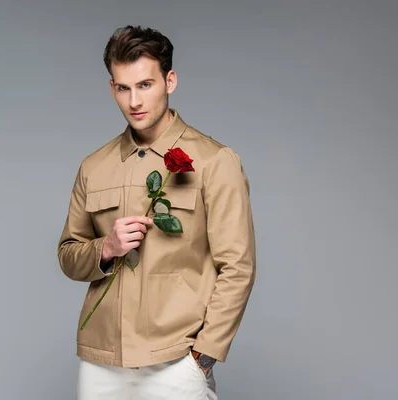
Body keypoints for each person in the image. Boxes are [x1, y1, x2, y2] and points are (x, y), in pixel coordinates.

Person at [57, 25, 256, 399]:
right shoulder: (93, 166)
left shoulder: (215, 161)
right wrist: (106, 248)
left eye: (145, 85)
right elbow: (68, 254)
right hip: (101, 363)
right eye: (123, 88)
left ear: (170, 80)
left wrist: (204, 355)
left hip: (176, 361)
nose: (134, 101)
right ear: (111, 88)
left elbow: (238, 266)